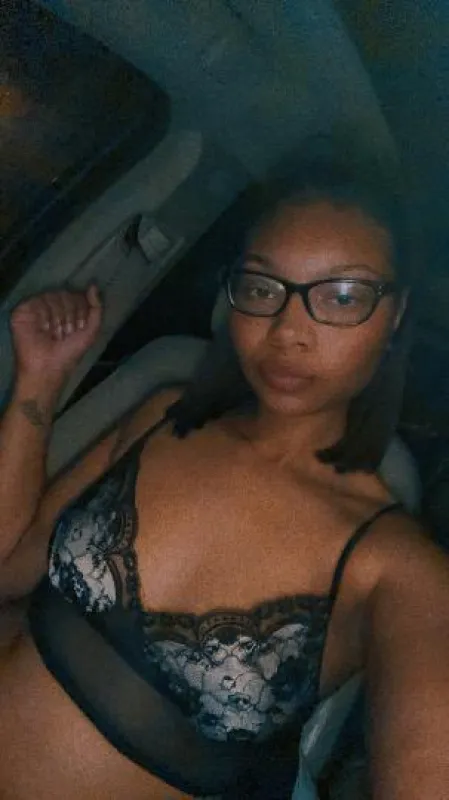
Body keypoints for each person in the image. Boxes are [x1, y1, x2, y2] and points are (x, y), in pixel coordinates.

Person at [0, 159, 448, 800]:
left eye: (343, 297)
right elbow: (10, 565)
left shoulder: (397, 568)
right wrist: (39, 380)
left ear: (396, 314)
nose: (288, 331)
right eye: (263, 288)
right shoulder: (163, 417)